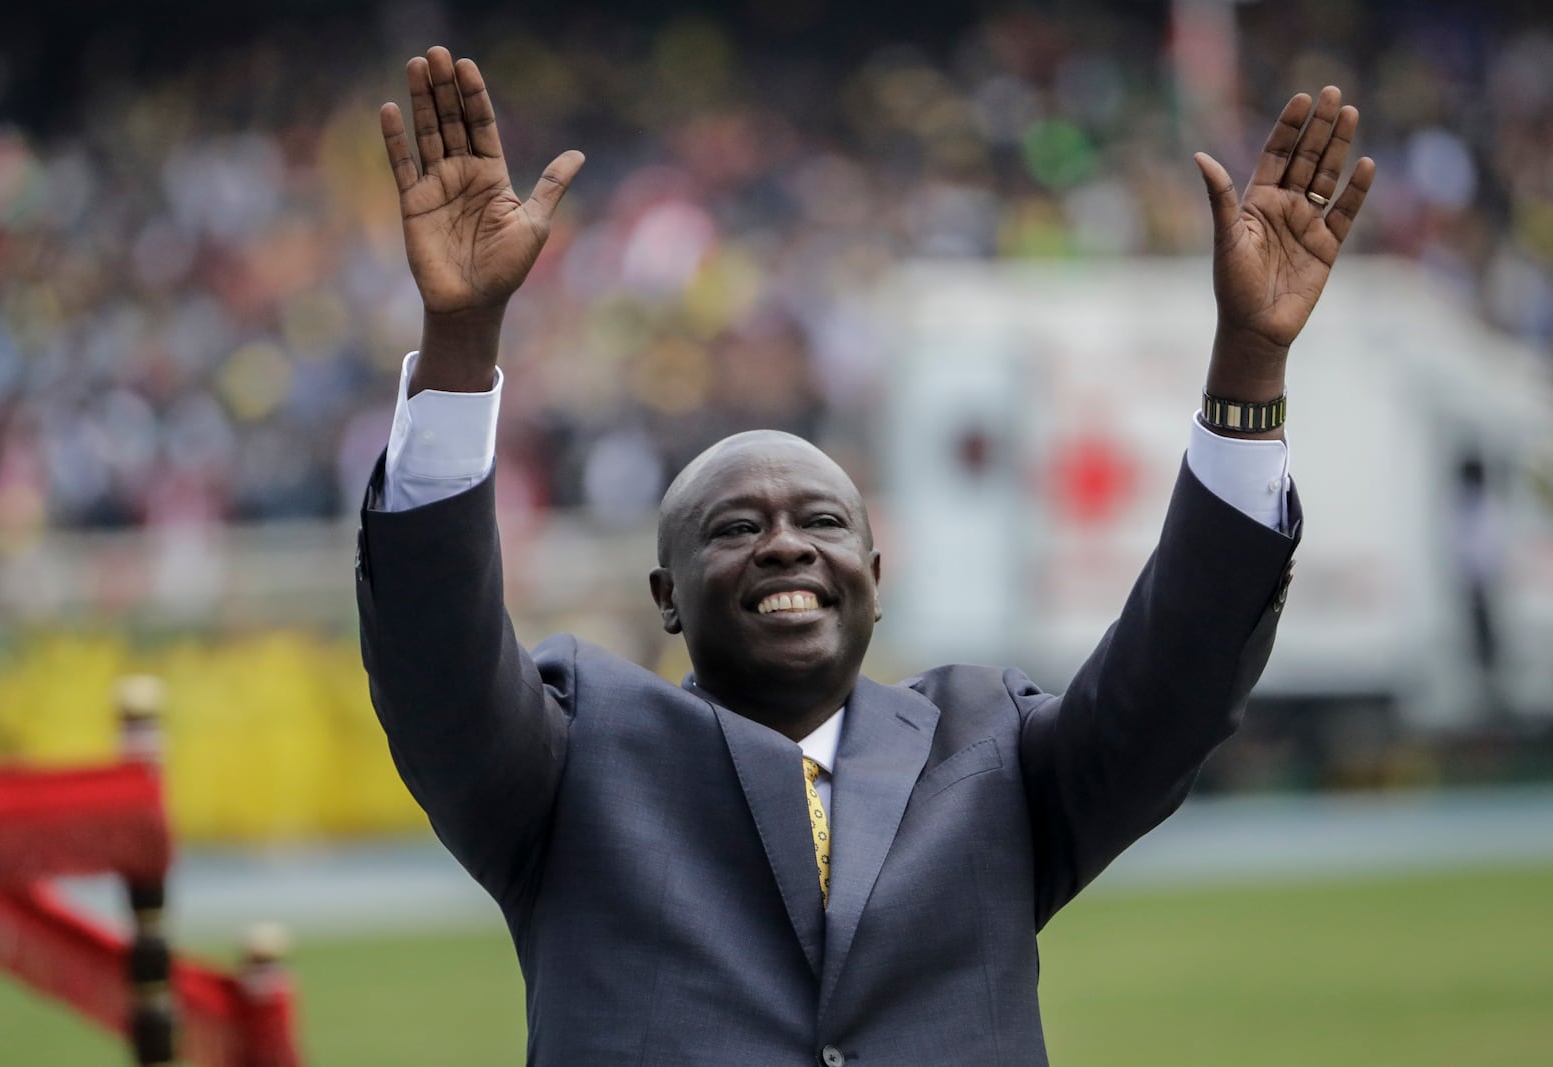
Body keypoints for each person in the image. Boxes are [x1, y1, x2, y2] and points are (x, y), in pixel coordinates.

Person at [355, 45, 1374, 1066]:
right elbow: (436, 656)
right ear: (666, 596)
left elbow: (1181, 672)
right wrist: (461, 338)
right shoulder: (570, 760)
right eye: (734, 528)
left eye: (821, 522)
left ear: (875, 581)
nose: (784, 542)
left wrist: (1250, 360)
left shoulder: (991, 752)